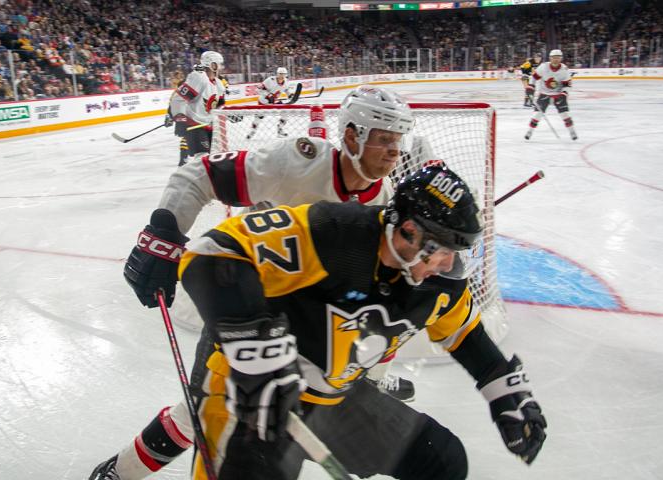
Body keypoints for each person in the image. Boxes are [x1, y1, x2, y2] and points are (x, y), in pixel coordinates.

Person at [89, 86, 439, 480]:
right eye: (384, 139)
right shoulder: (298, 162)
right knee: (201, 411)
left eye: (398, 140)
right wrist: (164, 233)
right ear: (353, 135)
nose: (394, 151)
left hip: (307, 323)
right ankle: (119, 471)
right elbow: (197, 174)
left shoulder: (384, 201)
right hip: (244, 306)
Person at [147, 166, 546, 479]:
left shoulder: (438, 283)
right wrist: (256, 348)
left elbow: (463, 333)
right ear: (407, 230)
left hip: (331, 399)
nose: (448, 265)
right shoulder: (333, 233)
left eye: (457, 253)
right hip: (253, 400)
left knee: (440, 461)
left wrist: (503, 390)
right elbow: (212, 253)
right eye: (441, 250)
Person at [167, 51, 226, 166]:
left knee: (210, 158)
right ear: (213, 65)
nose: (222, 67)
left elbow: (219, 105)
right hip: (194, 124)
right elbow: (178, 99)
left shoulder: (218, 83)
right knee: (202, 159)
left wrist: (229, 114)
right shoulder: (199, 78)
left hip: (208, 125)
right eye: (220, 64)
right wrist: (179, 118)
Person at [525, 49, 577, 141]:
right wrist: (531, 87)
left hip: (558, 94)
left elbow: (567, 84)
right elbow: (534, 77)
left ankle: (572, 131)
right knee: (537, 114)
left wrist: (564, 93)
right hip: (544, 94)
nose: (556, 60)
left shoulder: (564, 69)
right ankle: (530, 131)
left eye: (558, 58)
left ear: (561, 58)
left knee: (564, 114)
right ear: (550, 58)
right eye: (554, 58)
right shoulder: (543, 67)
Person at [246, 66, 292, 139]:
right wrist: (268, 95)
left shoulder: (286, 82)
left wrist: (289, 95)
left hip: (275, 101)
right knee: (258, 118)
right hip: (263, 101)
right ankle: (252, 131)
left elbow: (286, 89)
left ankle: (280, 130)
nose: (282, 76)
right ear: (277, 74)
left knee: (285, 113)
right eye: (280, 74)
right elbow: (258, 89)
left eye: (284, 74)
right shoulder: (270, 80)